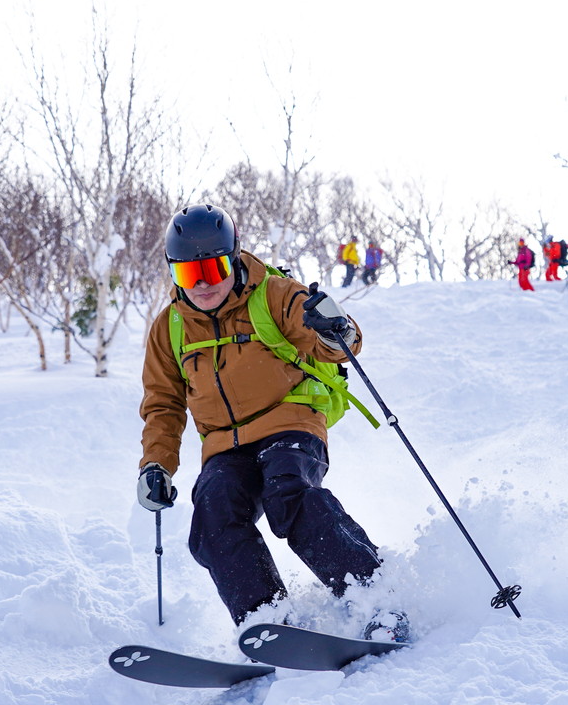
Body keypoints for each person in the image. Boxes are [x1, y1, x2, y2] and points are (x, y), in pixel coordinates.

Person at [137, 204, 409, 642]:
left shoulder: (275, 294)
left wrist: (335, 326)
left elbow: (339, 346)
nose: (204, 284)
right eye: (189, 275)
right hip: (225, 446)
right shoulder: (169, 328)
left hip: (291, 420)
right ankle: (267, 623)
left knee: (289, 493)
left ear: (233, 257)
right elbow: (163, 403)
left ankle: (377, 599)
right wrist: (156, 465)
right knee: (213, 511)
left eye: (213, 268)